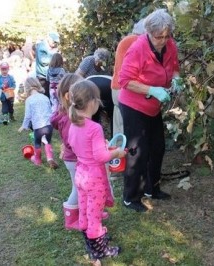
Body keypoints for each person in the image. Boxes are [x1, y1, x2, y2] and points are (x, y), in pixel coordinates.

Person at [118, 9, 180, 212]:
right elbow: (125, 80)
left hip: (153, 107)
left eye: (166, 36)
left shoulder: (170, 45)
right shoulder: (137, 49)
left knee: (158, 147)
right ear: (149, 33)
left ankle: (152, 189)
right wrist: (151, 89)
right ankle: (130, 197)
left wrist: (176, 79)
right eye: (158, 37)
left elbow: (174, 67)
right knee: (138, 151)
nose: (162, 40)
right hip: (133, 106)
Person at [67, 80, 126, 261]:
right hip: (94, 178)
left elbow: (76, 145)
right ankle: (100, 250)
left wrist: (101, 147)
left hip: (81, 174)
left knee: (85, 210)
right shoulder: (94, 127)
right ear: (92, 102)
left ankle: (90, 241)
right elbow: (101, 157)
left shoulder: (73, 124)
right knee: (95, 216)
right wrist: (116, 152)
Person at [50, 73, 83, 230]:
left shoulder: (67, 113)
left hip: (73, 158)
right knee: (77, 188)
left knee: (80, 187)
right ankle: (70, 220)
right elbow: (72, 142)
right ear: (70, 96)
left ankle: (83, 212)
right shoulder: (70, 118)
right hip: (75, 159)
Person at [111, 19, 145, 136]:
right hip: (126, 88)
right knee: (129, 127)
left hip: (116, 86)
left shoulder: (126, 40)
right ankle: (126, 153)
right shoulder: (137, 41)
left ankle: (117, 152)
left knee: (119, 124)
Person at [18, 77, 58, 169]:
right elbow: (50, 111)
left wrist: (24, 126)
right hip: (48, 126)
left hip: (38, 127)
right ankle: (50, 158)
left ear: (27, 88)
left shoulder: (29, 100)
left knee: (37, 143)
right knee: (47, 141)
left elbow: (27, 115)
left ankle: (38, 160)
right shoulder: (45, 97)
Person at [35, 32, 60, 98]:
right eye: (54, 41)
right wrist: (54, 56)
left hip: (50, 76)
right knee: (44, 96)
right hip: (43, 77)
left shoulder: (50, 47)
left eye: (56, 42)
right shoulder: (42, 46)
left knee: (51, 96)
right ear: (49, 38)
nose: (55, 44)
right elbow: (43, 61)